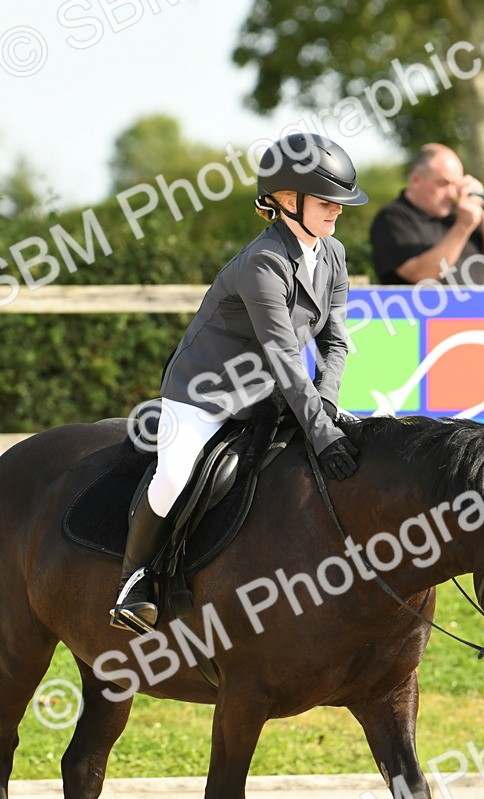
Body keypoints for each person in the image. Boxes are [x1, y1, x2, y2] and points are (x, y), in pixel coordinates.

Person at [110, 132, 368, 635]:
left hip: (271, 390)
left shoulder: (333, 255)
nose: (337, 211)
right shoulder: (263, 262)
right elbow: (284, 353)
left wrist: (329, 409)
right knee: (175, 473)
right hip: (205, 392)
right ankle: (132, 582)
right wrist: (318, 428)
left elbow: (335, 343)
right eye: (326, 201)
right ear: (287, 201)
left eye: (340, 202)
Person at [370, 143, 484, 286]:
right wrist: (462, 227)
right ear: (416, 180)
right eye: (443, 183)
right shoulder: (392, 217)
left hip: (476, 311)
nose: (452, 193)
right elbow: (421, 274)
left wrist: (482, 206)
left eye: (456, 185)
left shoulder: (462, 213)